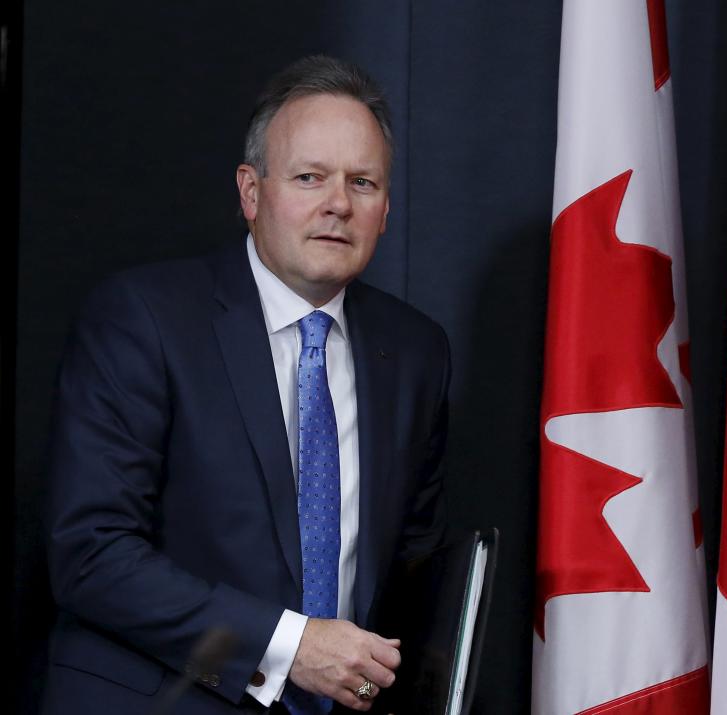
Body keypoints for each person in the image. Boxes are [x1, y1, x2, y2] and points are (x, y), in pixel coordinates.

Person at [42, 55, 450, 714]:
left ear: (386, 207)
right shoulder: (145, 317)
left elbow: (411, 566)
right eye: (309, 177)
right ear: (251, 192)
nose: (338, 204)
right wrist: (290, 645)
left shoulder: (414, 350)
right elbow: (91, 553)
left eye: (363, 182)